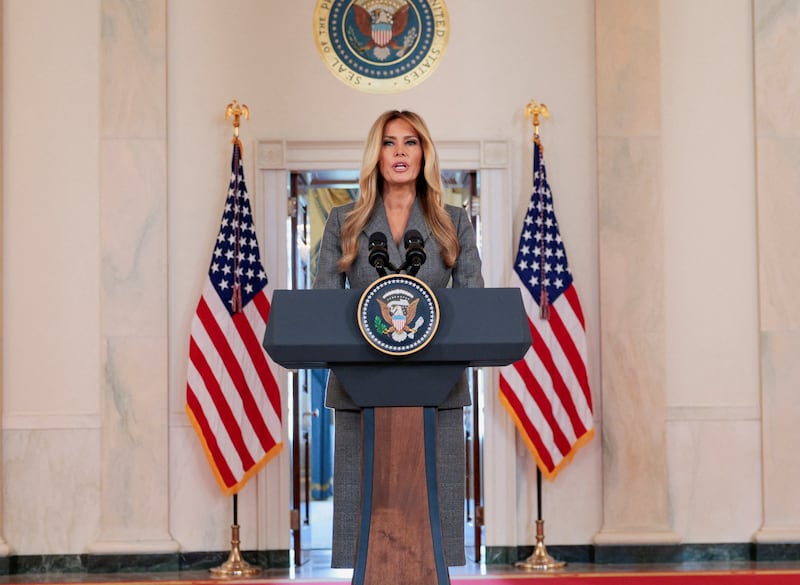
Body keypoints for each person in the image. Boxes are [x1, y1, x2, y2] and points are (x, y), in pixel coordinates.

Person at [313, 110, 484, 568]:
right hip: (360, 389)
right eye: (389, 143)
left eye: (410, 142)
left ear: (424, 154)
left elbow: (474, 304)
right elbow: (323, 306)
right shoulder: (344, 220)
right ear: (376, 154)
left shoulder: (453, 221)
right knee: (366, 524)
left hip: (437, 390)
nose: (400, 152)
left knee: (433, 525)